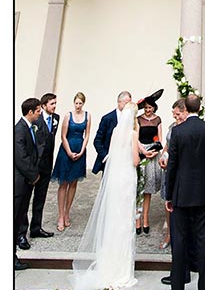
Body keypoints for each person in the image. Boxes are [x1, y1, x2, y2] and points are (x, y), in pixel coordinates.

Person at [72, 102, 140, 290]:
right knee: (125, 220)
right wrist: (141, 158)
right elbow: (135, 160)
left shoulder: (117, 132)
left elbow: (113, 156)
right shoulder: (133, 134)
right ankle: (122, 270)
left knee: (113, 219)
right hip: (127, 178)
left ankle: (109, 265)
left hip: (115, 179)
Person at [164, 94, 205, 290]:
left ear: (186, 108)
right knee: (203, 242)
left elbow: (173, 165)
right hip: (202, 192)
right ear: (200, 108)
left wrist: (169, 194)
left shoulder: (178, 131)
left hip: (181, 194)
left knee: (179, 241)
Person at [18, 92, 59, 247]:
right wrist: (32, 170)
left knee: (40, 199)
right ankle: (22, 232)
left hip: (47, 166)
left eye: (55, 103)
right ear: (43, 105)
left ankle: (36, 227)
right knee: (24, 200)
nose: (54, 106)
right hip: (34, 167)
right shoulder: (35, 119)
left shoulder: (56, 118)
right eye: (52, 104)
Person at [51, 92, 91, 232]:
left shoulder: (87, 116)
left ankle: (67, 211)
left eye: (80, 103)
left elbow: (87, 135)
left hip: (80, 149)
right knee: (63, 183)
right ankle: (60, 215)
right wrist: (68, 151)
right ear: (73, 103)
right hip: (67, 150)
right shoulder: (68, 115)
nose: (78, 105)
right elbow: (63, 135)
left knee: (73, 182)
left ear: (83, 103)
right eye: (76, 103)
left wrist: (82, 150)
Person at [14, 98, 41, 271]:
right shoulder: (20, 130)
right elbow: (20, 157)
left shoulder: (29, 128)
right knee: (14, 218)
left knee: (19, 216)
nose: (39, 113)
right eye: (38, 110)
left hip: (26, 182)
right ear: (30, 112)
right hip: (19, 182)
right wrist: (34, 175)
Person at [159, 99, 187, 254]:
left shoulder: (186, 127)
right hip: (169, 169)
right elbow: (167, 145)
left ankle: (182, 235)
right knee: (168, 203)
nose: (175, 117)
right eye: (174, 114)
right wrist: (163, 156)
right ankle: (169, 234)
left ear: (184, 112)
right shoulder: (172, 127)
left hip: (181, 171)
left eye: (177, 114)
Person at [135, 95, 163, 235]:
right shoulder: (138, 120)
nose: (147, 110)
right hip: (141, 154)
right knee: (139, 187)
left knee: (148, 189)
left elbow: (159, 138)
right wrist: (143, 152)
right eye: (145, 108)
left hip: (152, 154)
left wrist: (155, 150)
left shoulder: (158, 119)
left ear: (154, 108)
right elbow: (136, 139)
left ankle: (146, 217)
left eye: (150, 108)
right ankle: (137, 219)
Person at [92, 91, 132, 173]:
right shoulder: (107, 119)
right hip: (110, 160)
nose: (129, 106)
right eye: (127, 103)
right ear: (119, 102)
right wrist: (105, 156)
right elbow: (97, 140)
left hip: (125, 160)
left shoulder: (132, 119)